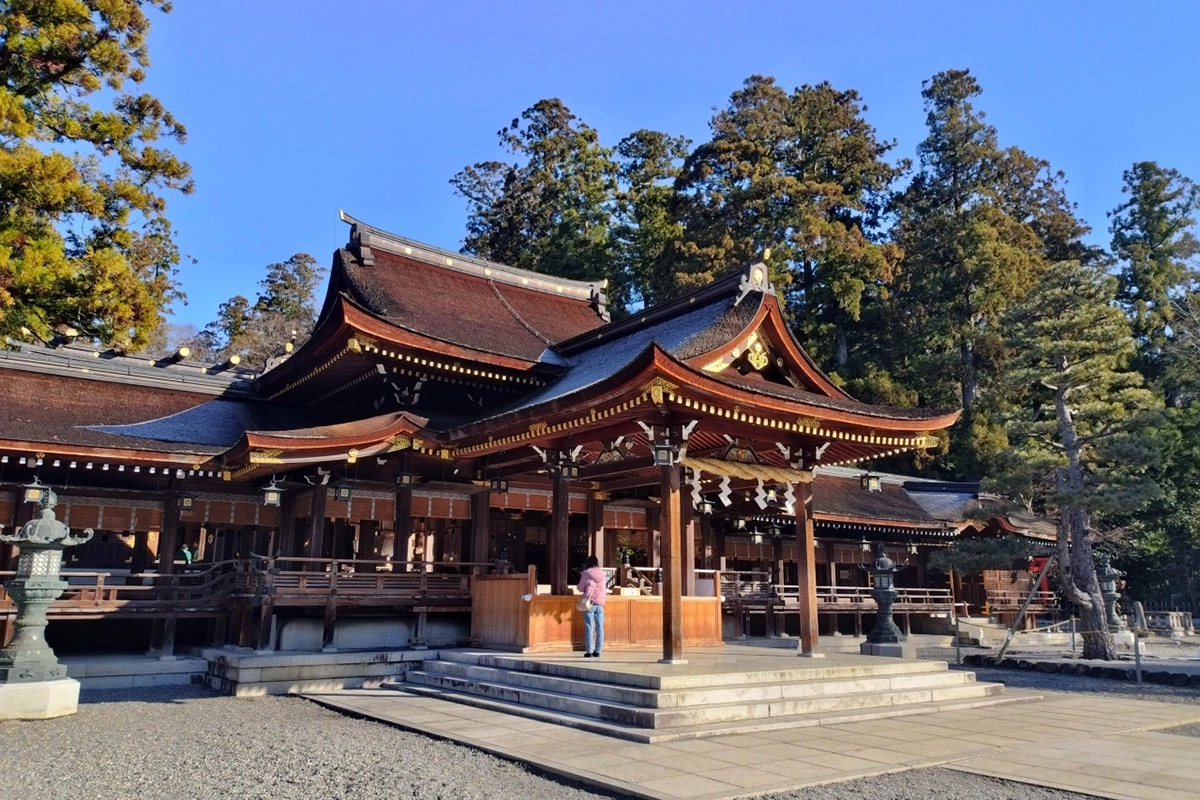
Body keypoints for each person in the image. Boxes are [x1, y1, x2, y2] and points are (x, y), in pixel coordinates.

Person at [576, 555, 607, 658]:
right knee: (600, 628)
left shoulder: (586, 573)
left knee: (589, 626)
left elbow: (580, 588)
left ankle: (589, 651)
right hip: (600, 603)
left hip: (589, 603)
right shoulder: (603, 574)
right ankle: (598, 651)